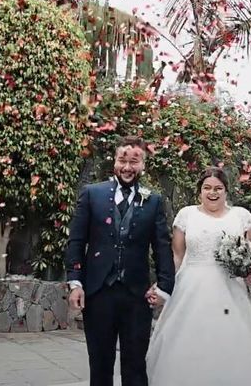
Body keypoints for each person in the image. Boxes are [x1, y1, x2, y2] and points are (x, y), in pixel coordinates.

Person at [146, 167, 251, 386]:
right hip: (190, 288)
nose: (212, 193)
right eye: (207, 188)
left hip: (232, 288)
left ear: (226, 191)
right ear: (199, 191)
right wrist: (163, 284)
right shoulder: (186, 215)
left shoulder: (241, 215)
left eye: (218, 188)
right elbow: (177, 255)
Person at [65, 136, 175, 386]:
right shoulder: (92, 194)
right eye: (122, 160)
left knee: (136, 366)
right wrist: (75, 282)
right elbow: (76, 241)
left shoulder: (154, 200)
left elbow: (162, 246)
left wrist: (164, 287)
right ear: (114, 161)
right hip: (98, 292)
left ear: (143, 164)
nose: (127, 167)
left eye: (134, 161)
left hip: (137, 295)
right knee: (100, 365)